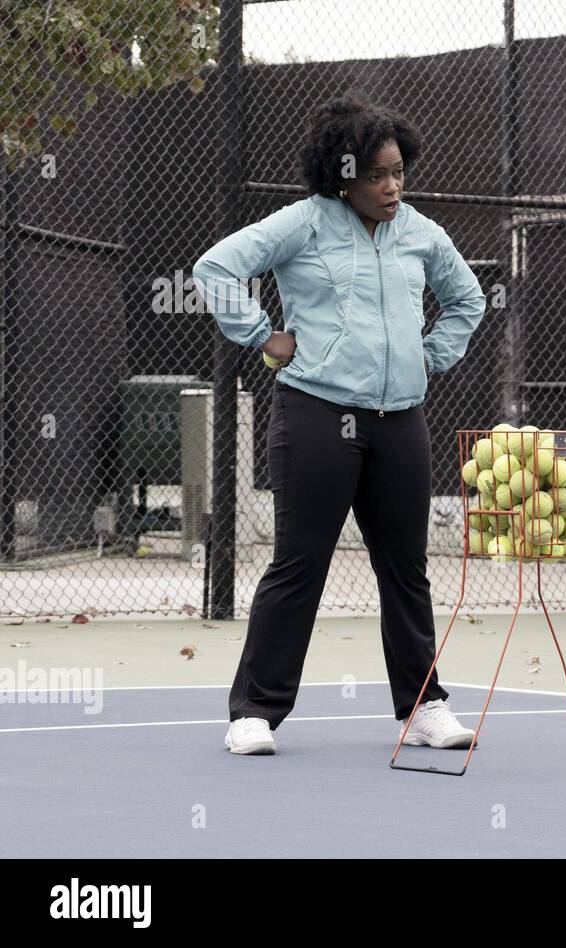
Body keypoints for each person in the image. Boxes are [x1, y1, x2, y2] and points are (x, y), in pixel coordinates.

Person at [194, 96, 485, 755]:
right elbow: (215, 267)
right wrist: (262, 337)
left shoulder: (421, 233)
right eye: (377, 175)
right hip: (316, 415)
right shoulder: (305, 223)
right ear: (341, 175)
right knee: (299, 565)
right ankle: (253, 714)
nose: (391, 187)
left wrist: (427, 356)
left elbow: (467, 298)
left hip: (400, 423)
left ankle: (423, 707)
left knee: (406, 569)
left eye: (399, 173)